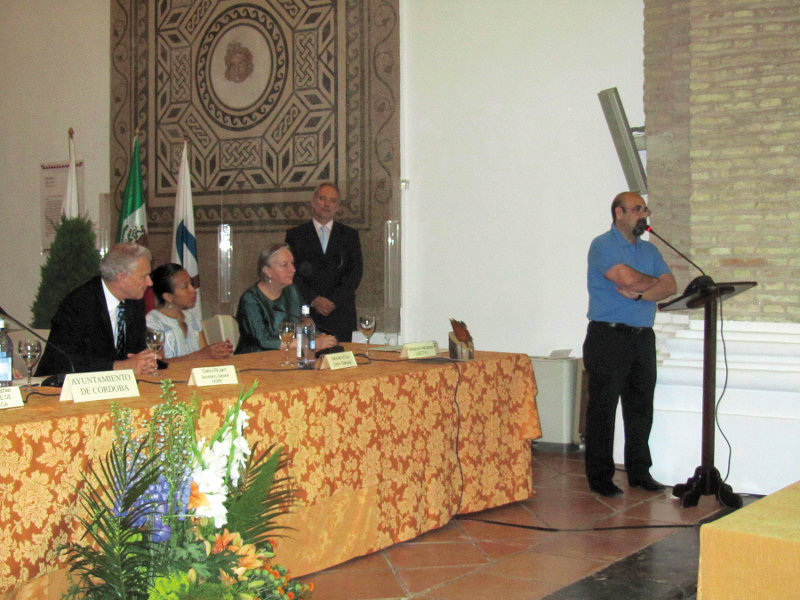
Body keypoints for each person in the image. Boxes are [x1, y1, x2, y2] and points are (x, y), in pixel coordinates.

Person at [583, 192, 677, 497]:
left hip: (642, 337)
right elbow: (624, 277)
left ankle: (639, 473)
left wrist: (639, 293)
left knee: (640, 408)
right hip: (608, 337)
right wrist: (650, 284)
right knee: (603, 409)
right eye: (637, 209)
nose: (643, 214)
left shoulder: (650, 250)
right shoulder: (603, 245)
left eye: (644, 209)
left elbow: (671, 285)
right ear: (619, 213)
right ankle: (600, 477)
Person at [36, 242, 160, 378]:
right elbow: (62, 361)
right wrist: (118, 366)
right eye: (144, 276)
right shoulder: (79, 304)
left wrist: (147, 358)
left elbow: (135, 352)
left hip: (117, 383)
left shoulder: (134, 301)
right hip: (59, 385)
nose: (150, 283)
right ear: (122, 278)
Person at [285, 182, 363, 342]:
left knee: (341, 356)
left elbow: (355, 273)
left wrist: (333, 301)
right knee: (307, 355)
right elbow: (291, 272)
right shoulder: (295, 235)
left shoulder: (350, 235)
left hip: (340, 312)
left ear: (337, 207)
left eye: (333, 201)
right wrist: (314, 299)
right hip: (308, 312)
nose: (327, 204)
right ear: (313, 202)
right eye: (322, 199)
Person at [234, 243, 338, 354]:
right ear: (267, 271)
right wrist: (311, 343)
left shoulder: (292, 291)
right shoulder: (250, 299)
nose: (293, 269)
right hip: (254, 359)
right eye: (284, 265)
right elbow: (264, 341)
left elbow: (305, 321)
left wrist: (320, 336)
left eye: (292, 263)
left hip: (289, 356)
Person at [147, 263, 233, 361]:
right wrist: (198, 356)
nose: (193, 290)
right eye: (185, 287)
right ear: (168, 296)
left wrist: (217, 351)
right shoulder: (152, 323)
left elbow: (204, 357)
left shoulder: (191, 318)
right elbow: (156, 364)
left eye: (191, 284)